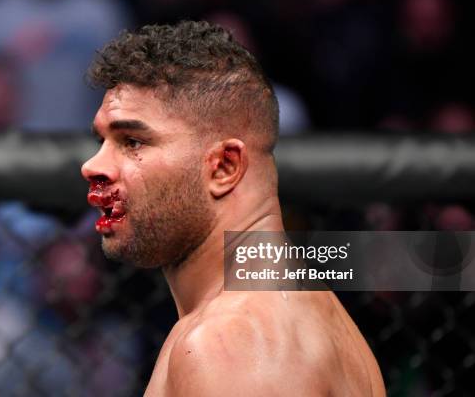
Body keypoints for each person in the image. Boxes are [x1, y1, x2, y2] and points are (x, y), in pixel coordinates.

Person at [81, 21, 385, 396]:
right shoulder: (309, 309)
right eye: (102, 139)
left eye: (132, 141)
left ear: (224, 167)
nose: (93, 165)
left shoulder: (230, 344)